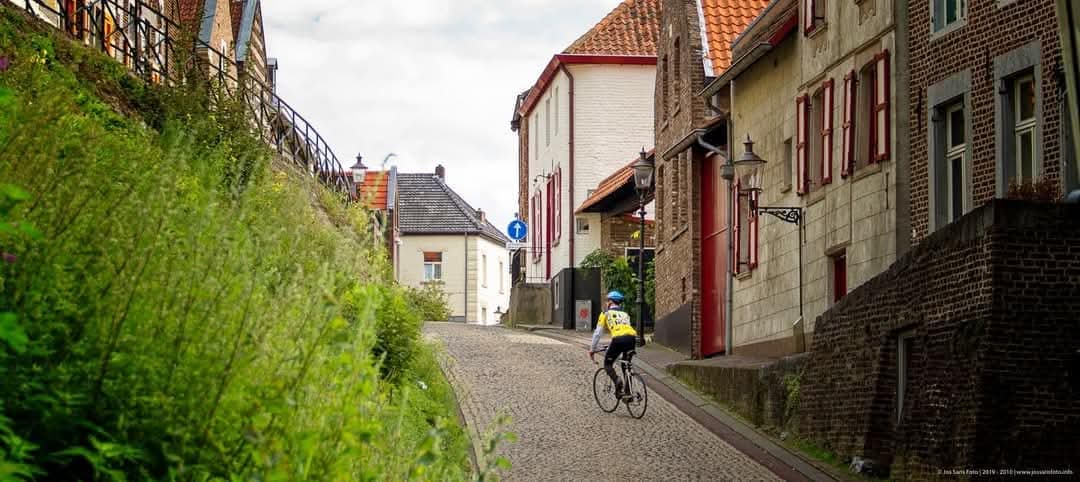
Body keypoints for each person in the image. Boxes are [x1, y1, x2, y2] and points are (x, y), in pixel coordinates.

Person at [589, 290, 638, 399]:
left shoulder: (605, 313)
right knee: (626, 364)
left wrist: (592, 349)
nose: (606, 303)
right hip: (632, 339)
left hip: (618, 340)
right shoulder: (625, 314)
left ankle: (617, 380)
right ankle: (628, 394)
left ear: (611, 302)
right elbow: (625, 330)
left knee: (607, 364)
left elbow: (597, 333)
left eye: (607, 301)